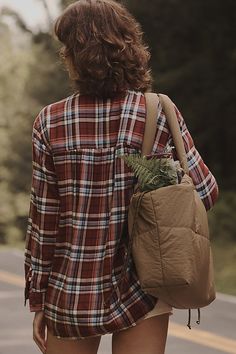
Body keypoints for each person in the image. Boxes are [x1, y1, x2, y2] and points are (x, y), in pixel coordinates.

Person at [23, 1, 219, 354]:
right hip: (144, 283)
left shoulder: (49, 121)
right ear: (127, 45)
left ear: (73, 53)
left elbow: (44, 222)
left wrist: (38, 297)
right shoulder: (157, 111)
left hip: (71, 289)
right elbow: (205, 192)